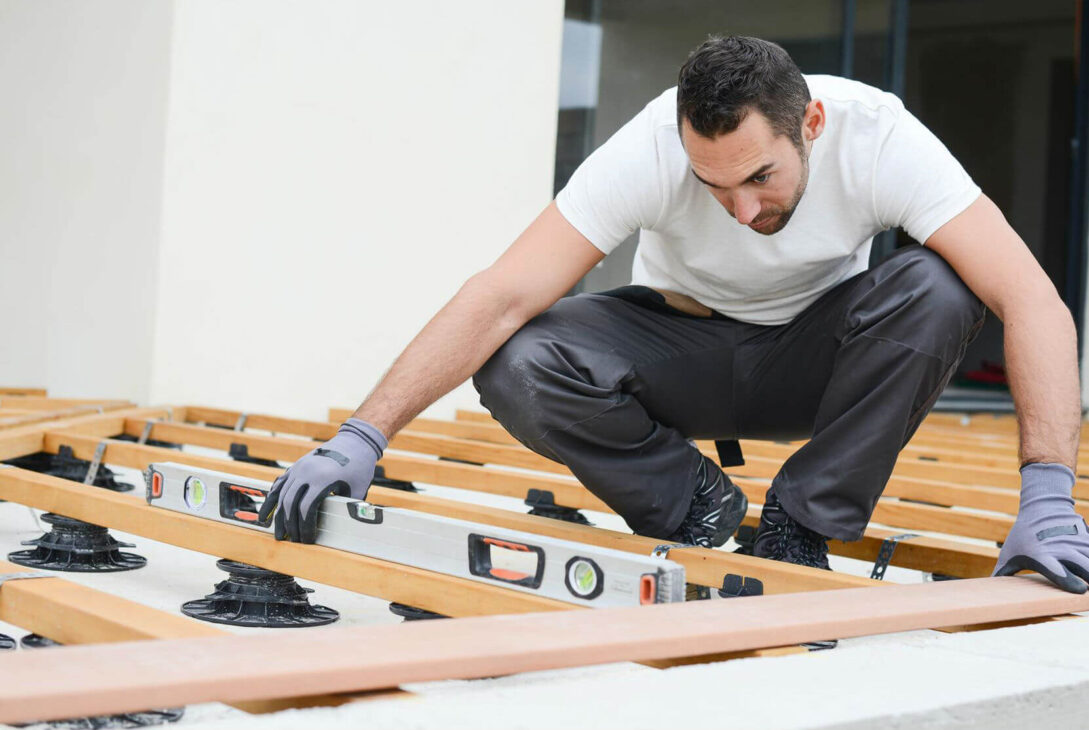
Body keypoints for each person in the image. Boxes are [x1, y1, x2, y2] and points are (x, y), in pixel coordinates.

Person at [258, 36, 1088, 592]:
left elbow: (1032, 300)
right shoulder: (650, 147)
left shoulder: (879, 138)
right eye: (711, 184)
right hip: (678, 354)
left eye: (759, 177)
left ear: (812, 124)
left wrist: (1048, 492)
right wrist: (363, 434)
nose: (737, 208)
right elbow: (500, 293)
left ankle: (797, 524)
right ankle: (691, 501)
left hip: (817, 362)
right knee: (517, 354)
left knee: (942, 287)